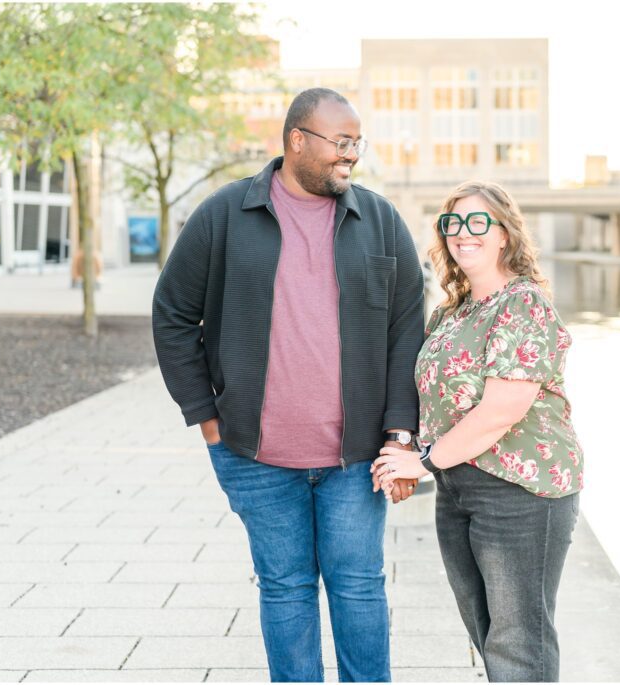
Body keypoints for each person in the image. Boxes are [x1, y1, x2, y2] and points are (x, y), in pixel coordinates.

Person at [152, 87, 424, 683]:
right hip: (253, 454)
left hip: (356, 459)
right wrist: (207, 417)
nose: (351, 155)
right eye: (340, 142)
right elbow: (172, 312)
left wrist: (401, 435)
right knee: (285, 589)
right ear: (297, 139)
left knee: (358, 588)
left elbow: (408, 331)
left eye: (357, 142)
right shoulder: (225, 214)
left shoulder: (379, 220)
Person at [372, 180, 584, 682]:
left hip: (522, 494)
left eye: (477, 223)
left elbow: (501, 411)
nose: (462, 234)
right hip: (458, 488)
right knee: (486, 631)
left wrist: (420, 463)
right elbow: (432, 399)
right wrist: (406, 448)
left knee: (518, 645)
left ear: (504, 234)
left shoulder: (524, 304)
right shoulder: (452, 310)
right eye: (452, 224)